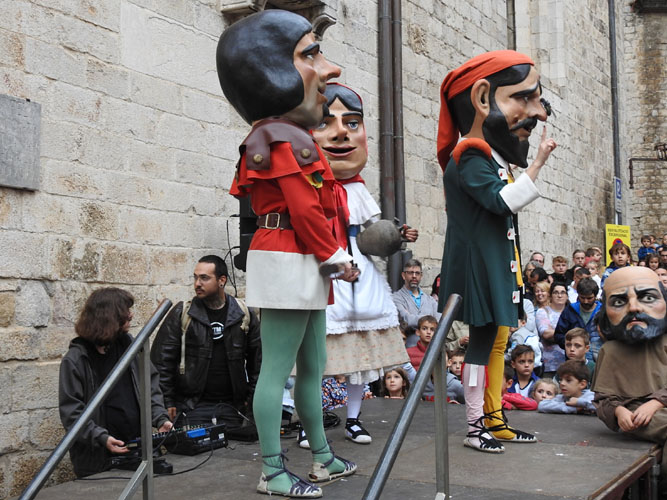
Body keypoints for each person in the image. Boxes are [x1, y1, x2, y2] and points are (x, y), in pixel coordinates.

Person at [216, 10, 358, 496]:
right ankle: (272, 470)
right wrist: (335, 256)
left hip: (301, 257)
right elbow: (303, 207)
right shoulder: (277, 136)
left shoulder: (288, 136)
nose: (329, 69)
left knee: (313, 365)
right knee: (276, 370)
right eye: (310, 53)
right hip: (289, 254)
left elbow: (317, 207)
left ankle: (321, 456)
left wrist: (331, 254)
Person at [437, 50, 556, 452]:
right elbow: (500, 201)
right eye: (525, 97)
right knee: (480, 349)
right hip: (478, 268)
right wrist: (538, 163)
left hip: (491, 267)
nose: (539, 112)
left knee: (491, 347)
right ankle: (476, 427)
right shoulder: (471, 154)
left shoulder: (487, 156)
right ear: (482, 98)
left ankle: (491, 420)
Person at [311, 83, 413, 446]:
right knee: (315, 358)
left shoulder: (356, 189)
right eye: (325, 122)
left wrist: (398, 235)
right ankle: (311, 423)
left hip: (360, 276)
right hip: (322, 269)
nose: (341, 133)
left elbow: (374, 232)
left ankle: (353, 419)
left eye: (352, 123)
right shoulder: (309, 185)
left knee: (360, 359)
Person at [59, 288, 173, 478]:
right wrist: (101, 438)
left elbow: (150, 386)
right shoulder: (76, 359)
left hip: (138, 450)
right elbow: (71, 413)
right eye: (125, 311)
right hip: (98, 460)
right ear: (109, 316)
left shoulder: (129, 346)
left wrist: (160, 419)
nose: (131, 315)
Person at [150, 255, 261, 430]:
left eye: (204, 278)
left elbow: (258, 363)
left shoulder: (243, 314)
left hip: (233, 407)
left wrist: (251, 400)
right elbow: (162, 362)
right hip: (192, 407)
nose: (197, 284)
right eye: (195, 277)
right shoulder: (183, 313)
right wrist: (167, 401)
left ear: (221, 280)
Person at [592, 266, 667, 495]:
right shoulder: (610, 351)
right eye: (619, 302)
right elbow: (603, 399)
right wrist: (619, 412)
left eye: (647, 297)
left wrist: (656, 402)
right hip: (638, 416)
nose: (633, 307)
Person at [554, 277, 602, 359]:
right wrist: (572, 344)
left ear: (595, 296)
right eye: (582, 298)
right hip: (574, 359)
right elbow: (559, 335)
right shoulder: (570, 310)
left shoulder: (602, 311)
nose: (585, 301)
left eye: (589, 298)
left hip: (598, 357)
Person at [535, 281, 568, 378]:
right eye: (556, 292)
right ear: (550, 295)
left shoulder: (572, 312)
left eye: (562, 292)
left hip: (569, 364)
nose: (559, 295)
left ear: (567, 295)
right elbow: (546, 333)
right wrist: (569, 334)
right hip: (549, 365)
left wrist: (556, 333)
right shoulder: (543, 312)